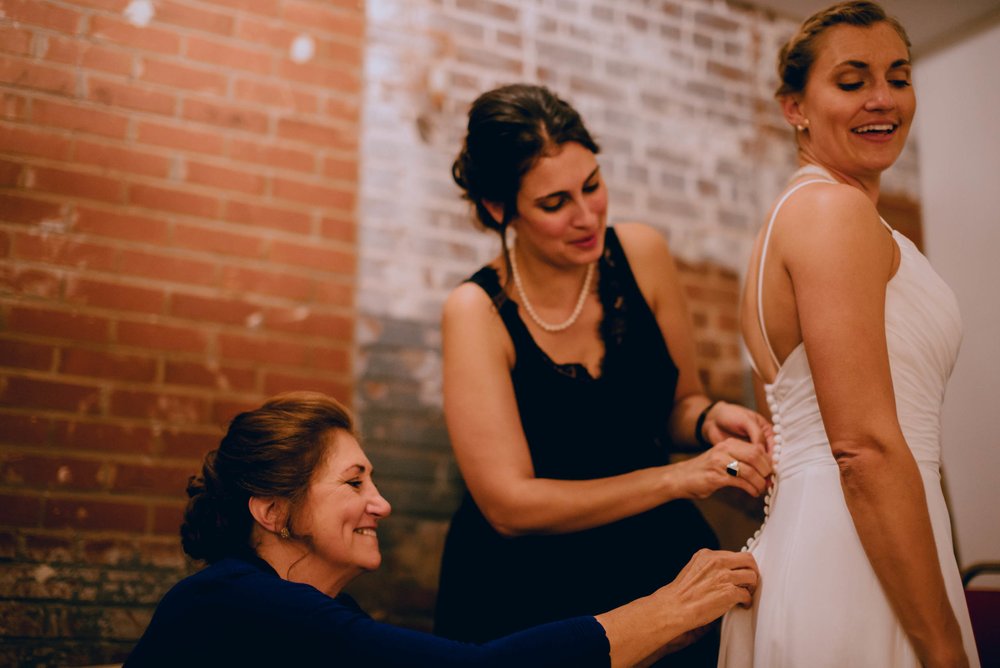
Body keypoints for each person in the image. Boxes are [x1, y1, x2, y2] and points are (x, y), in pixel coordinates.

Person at [433, 83, 773, 666]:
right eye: (554, 203)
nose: (587, 215)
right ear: (498, 208)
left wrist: (710, 419)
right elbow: (510, 506)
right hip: (527, 589)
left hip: (654, 562)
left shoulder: (642, 255)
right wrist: (678, 480)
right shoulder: (476, 312)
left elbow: (677, 404)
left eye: (592, 185)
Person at [124, 391, 758, 667]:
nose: (382, 504)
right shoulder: (234, 600)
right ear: (271, 511)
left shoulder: (303, 609)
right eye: (354, 483)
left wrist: (648, 646)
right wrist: (664, 611)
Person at [718, 3, 980, 666]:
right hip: (859, 556)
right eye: (853, 80)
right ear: (795, 108)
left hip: (843, 538)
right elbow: (862, 447)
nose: (883, 99)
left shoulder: (803, 217)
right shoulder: (830, 213)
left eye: (898, 75)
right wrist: (942, 644)